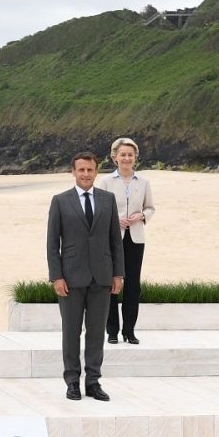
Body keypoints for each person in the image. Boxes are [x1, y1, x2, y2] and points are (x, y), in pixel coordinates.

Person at [46, 151, 124, 401]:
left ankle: (93, 381)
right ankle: (72, 381)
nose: (86, 174)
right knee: (71, 332)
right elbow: (52, 244)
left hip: (102, 277)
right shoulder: (60, 201)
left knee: (96, 332)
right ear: (73, 172)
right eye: (81, 170)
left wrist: (118, 274)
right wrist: (56, 276)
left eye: (90, 170)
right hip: (70, 278)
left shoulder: (107, 200)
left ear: (96, 171)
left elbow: (115, 241)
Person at [98, 137, 154, 345]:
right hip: (112, 238)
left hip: (136, 238)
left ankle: (129, 331)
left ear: (135, 157)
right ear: (115, 157)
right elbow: (98, 209)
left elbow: (151, 208)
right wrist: (115, 219)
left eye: (130, 154)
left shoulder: (144, 182)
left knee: (133, 285)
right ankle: (112, 330)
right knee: (111, 283)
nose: (126, 158)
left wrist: (142, 216)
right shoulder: (106, 182)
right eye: (123, 154)